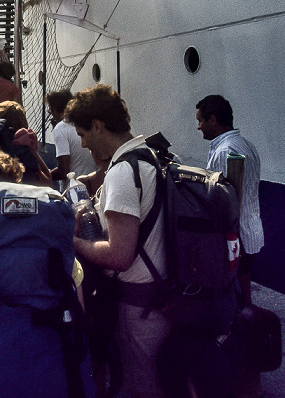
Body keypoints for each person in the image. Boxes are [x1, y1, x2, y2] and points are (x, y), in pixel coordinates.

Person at [65, 84, 171, 398]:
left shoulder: (123, 173)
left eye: (84, 134)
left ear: (99, 126)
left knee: (143, 388)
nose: (83, 144)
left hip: (139, 307)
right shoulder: (148, 156)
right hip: (159, 295)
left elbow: (119, 256)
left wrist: (73, 242)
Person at [196, 94, 264, 306]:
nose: (199, 127)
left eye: (200, 121)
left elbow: (224, 203)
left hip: (237, 236)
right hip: (252, 232)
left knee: (231, 297)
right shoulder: (245, 144)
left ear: (213, 120)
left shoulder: (225, 151)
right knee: (242, 286)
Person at [46, 89, 95, 181]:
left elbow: (64, 171)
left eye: (50, 109)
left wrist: (44, 176)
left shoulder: (60, 129)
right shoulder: (85, 122)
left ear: (55, 110)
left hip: (74, 188)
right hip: (92, 183)